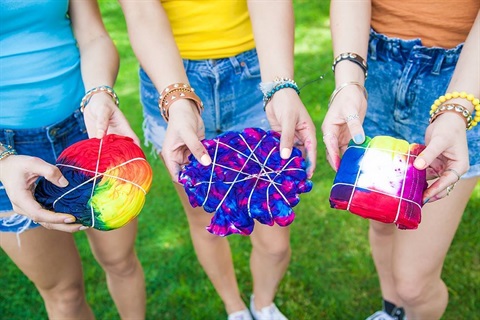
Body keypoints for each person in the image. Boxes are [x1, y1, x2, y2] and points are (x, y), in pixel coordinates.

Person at [118, 1, 317, 319]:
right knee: (205, 220)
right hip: (169, 76)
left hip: (256, 73)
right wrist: (178, 99)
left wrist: (280, 85)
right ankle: (234, 307)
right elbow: (141, 10)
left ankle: (263, 304)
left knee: (275, 229)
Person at [322, 0, 479, 319]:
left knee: (414, 285)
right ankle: (392, 311)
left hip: (462, 77)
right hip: (373, 67)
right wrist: (348, 83)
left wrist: (457, 108)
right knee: (381, 223)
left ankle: (405, 304)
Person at [0, 0, 146, 319]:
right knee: (64, 293)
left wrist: (99, 93)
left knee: (121, 261)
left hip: (86, 128)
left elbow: (93, 35)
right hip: (6, 156)